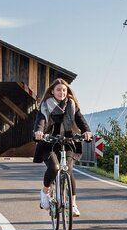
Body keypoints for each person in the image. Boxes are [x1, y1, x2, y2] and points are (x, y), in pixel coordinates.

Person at [33, 78, 93, 217]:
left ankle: (72, 204)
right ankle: (45, 192)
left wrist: (86, 131)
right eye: (58, 90)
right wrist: (39, 132)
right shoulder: (45, 106)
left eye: (64, 90)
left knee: (69, 169)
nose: (62, 92)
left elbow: (80, 120)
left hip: (68, 142)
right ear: (52, 91)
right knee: (54, 167)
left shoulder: (72, 105)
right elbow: (40, 121)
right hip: (49, 143)